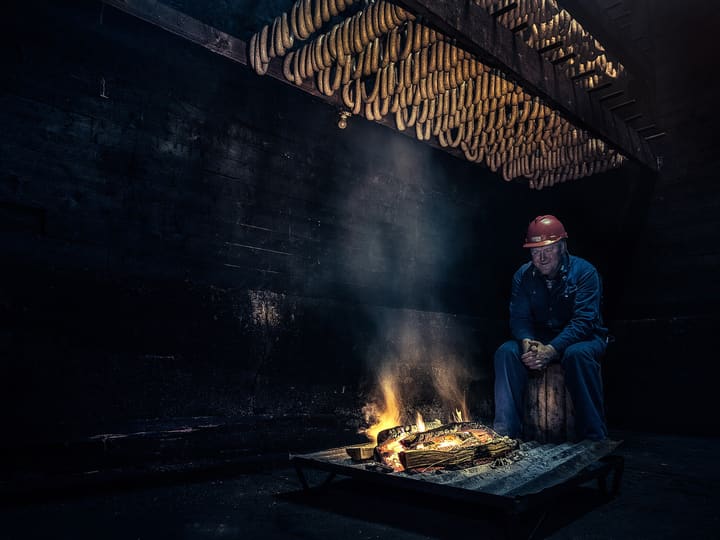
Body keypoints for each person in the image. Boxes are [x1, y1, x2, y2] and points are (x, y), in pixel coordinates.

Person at [493, 215, 609, 441]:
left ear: (562, 247)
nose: (542, 257)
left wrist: (552, 349)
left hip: (582, 338)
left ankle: (594, 438)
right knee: (506, 353)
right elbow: (519, 318)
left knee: (578, 355)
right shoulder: (523, 276)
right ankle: (506, 436)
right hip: (541, 339)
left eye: (548, 249)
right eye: (535, 251)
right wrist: (527, 343)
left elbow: (584, 322)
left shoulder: (585, 273)